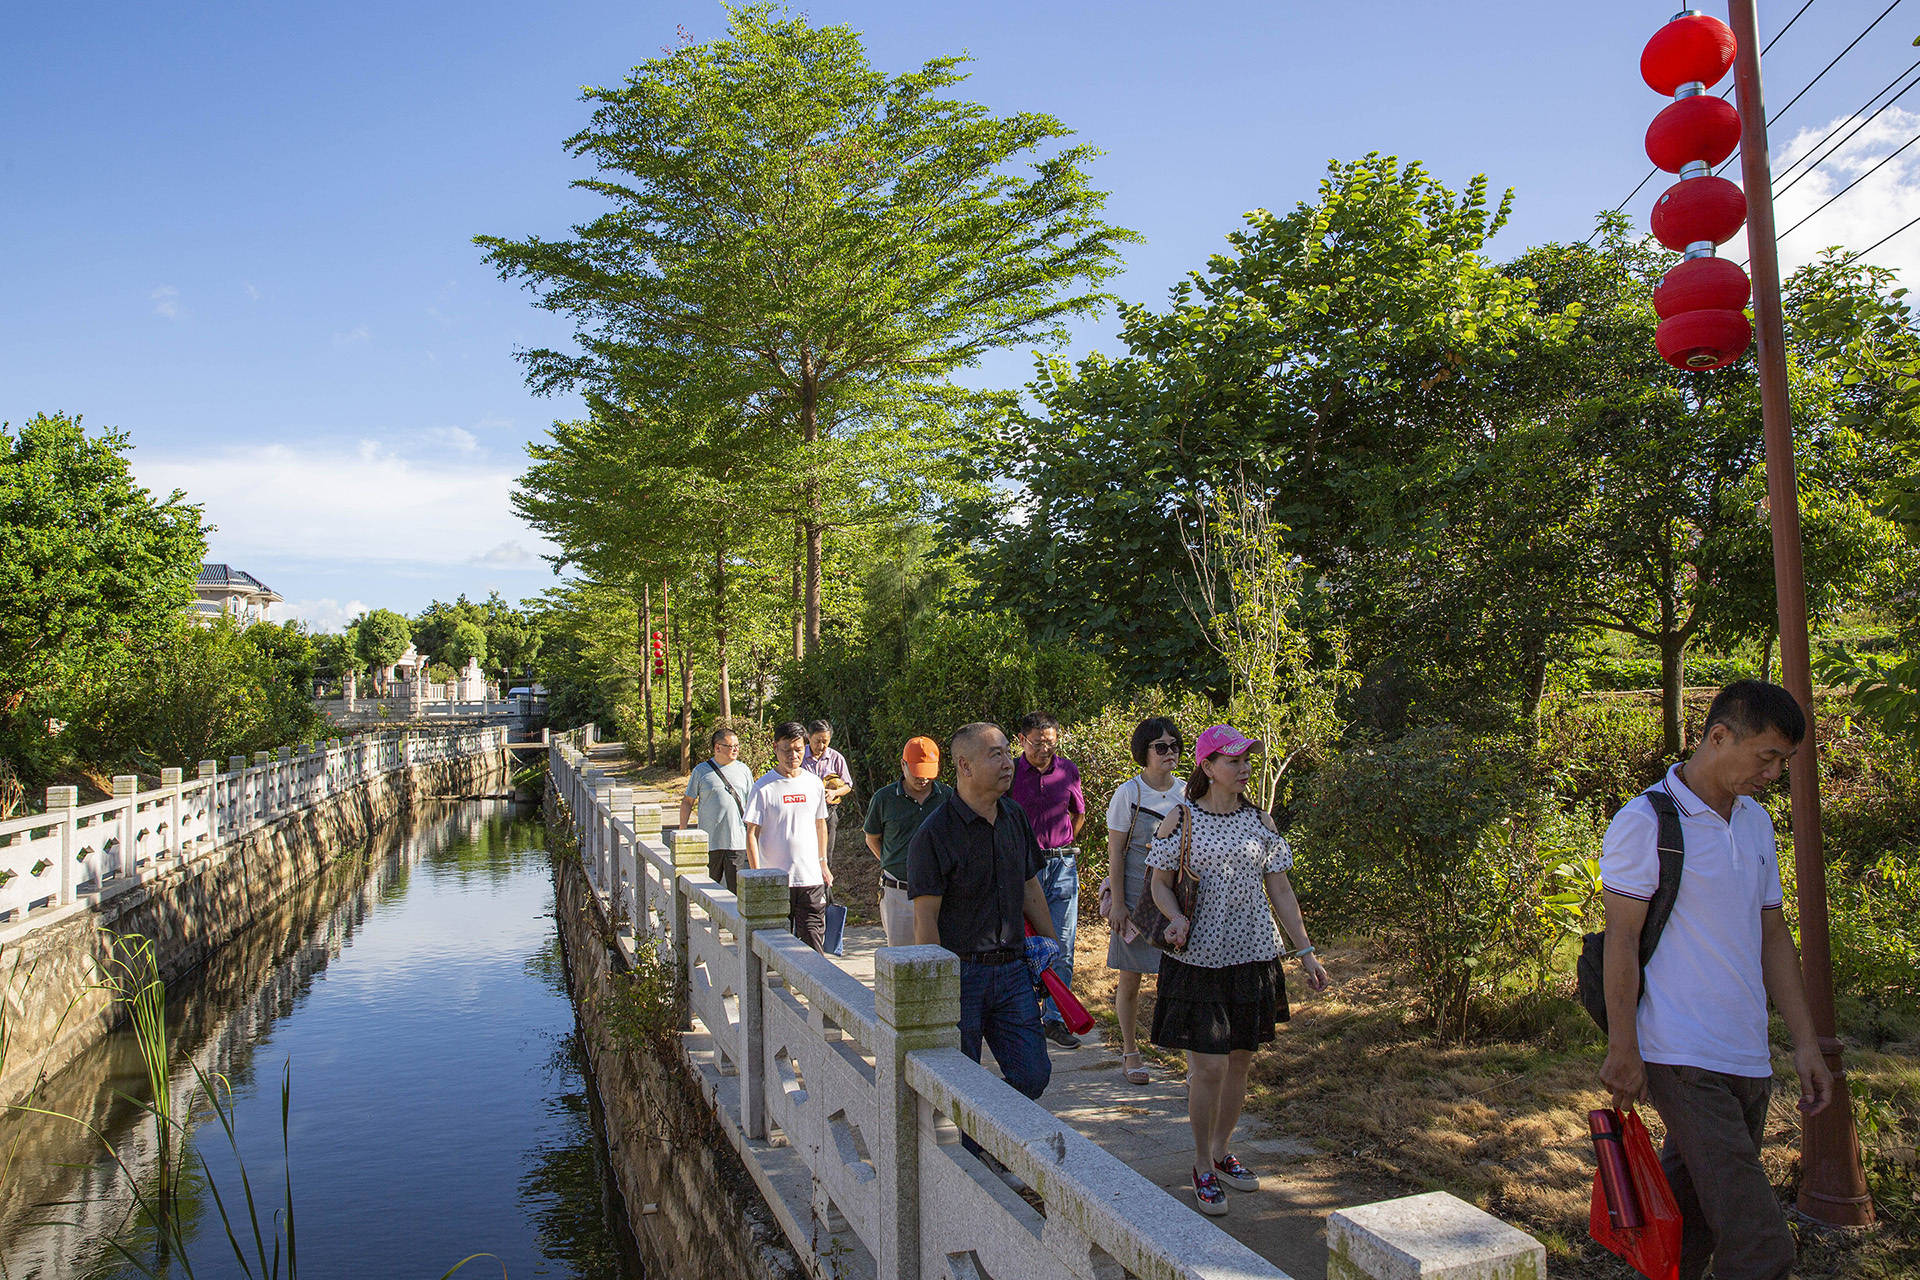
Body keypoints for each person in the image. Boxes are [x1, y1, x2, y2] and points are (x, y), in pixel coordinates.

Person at [1598, 681, 1832, 1280]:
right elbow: (1620, 941)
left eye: (1784, 762)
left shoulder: (1755, 823)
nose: (1774, 774)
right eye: (1768, 757)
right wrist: (1623, 1047)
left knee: (1688, 1228)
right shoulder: (1645, 820)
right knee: (1760, 1244)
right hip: (1681, 1055)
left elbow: (1772, 936)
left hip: (1748, 1057)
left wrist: (1804, 1043)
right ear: (1719, 736)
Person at [1147, 724, 1329, 1217]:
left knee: (1241, 1062)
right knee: (1208, 1066)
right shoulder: (1179, 820)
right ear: (1207, 767)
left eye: (1248, 760)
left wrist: (1306, 951)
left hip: (1253, 957)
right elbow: (1160, 885)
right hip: (1197, 961)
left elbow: (1282, 892)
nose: (1245, 768)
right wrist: (1176, 917)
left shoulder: (1262, 823)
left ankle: (1224, 1151)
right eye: (1234, 760)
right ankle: (1202, 1164)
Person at [908, 722, 1059, 1161]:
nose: (1008, 761)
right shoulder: (934, 835)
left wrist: (1050, 946)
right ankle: (977, 1160)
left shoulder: (1013, 817)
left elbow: (1030, 885)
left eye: (1008, 752)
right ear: (964, 765)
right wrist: (936, 986)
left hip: (1013, 970)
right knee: (963, 1082)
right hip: (962, 974)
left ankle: (991, 1139)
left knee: (1033, 1074)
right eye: (995, 754)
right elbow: (926, 920)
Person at [1100, 716, 1186, 1085]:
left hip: (1177, 901)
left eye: (1174, 746)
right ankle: (1130, 1052)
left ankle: (1190, 1060)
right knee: (1131, 978)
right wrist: (1119, 904)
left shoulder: (1188, 792)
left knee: (1182, 979)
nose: (1169, 753)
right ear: (1144, 752)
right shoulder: (1128, 793)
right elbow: (1116, 852)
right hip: (1136, 898)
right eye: (1160, 747)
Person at [1008, 711, 1086, 1048]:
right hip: (1024, 869)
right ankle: (1025, 1016)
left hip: (1062, 866)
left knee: (1063, 946)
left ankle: (1054, 1018)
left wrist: (1064, 843)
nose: (1044, 749)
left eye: (1051, 743)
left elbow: (1078, 813)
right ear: (1022, 740)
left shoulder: (1067, 770)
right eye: (1037, 743)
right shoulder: (1010, 772)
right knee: (1022, 944)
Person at [743, 721, 832, 952]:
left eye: (799, 749)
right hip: (776, 879)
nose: (793, 755)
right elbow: (752, 833)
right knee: (778, 946)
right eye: (787, 750)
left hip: (810, 878)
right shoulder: (763, 787)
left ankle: (815, 987)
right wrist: (758, 875)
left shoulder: (814, 784)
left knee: (813, 939)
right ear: (775, 748)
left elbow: (820, 824)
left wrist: (823, 864)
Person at [863, 736, 953, 946]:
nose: (922, 779)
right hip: (898, 891)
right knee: (901, 960)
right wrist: (893, 862)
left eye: (928, 773)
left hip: (940, 892)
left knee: (940, 957)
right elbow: (872, 838)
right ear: (903, 765)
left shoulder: (948, 797)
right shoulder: (884, 798)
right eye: (917, 772)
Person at [679, 726, 754, 892]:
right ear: (717, 747)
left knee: (737, 891)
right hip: (710, 841)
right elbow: (687, 801)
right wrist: (682, 830)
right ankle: (709, 919)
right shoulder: (701, 771)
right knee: (708, 889)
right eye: (731, 746)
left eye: (737, 746)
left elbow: (752, 804)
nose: (735, 749)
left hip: (737, 840)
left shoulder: (744, 770)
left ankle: (735, 919)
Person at [803, 719, 855, 864]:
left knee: (825, 856)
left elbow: (848, 785)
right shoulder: (799, 756)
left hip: (828, 812)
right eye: (817, 741)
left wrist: (834, 793)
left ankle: (825, 885)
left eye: (825, 741)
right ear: (808, 737)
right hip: (803, 812)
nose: (821, 746)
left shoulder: (836, 757)